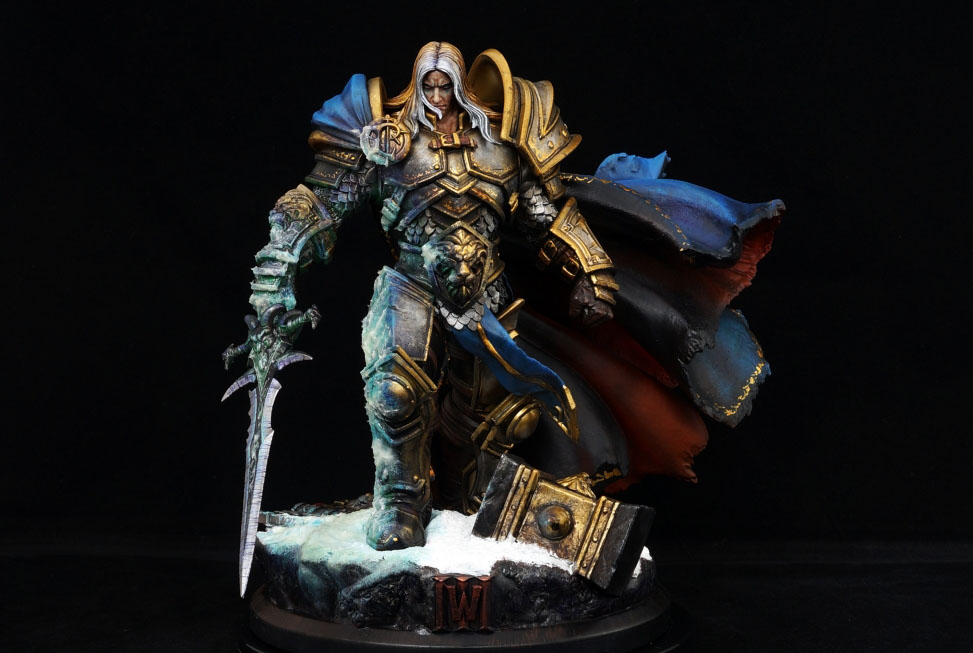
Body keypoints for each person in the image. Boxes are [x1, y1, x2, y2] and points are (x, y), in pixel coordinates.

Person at [230, 41, 784, 554]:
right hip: (411, 284)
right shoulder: (387, 143)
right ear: (417, 86)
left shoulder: (500, 147)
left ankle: (467, 507)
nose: (438, 96)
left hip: (485, 296)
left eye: (447, 86)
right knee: (395, 391)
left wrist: (590, 270)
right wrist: (277, 268)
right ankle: (400, 504)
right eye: (429, 85)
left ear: (461, 87)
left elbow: (548, 215)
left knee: (492, 419)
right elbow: (321, 203)